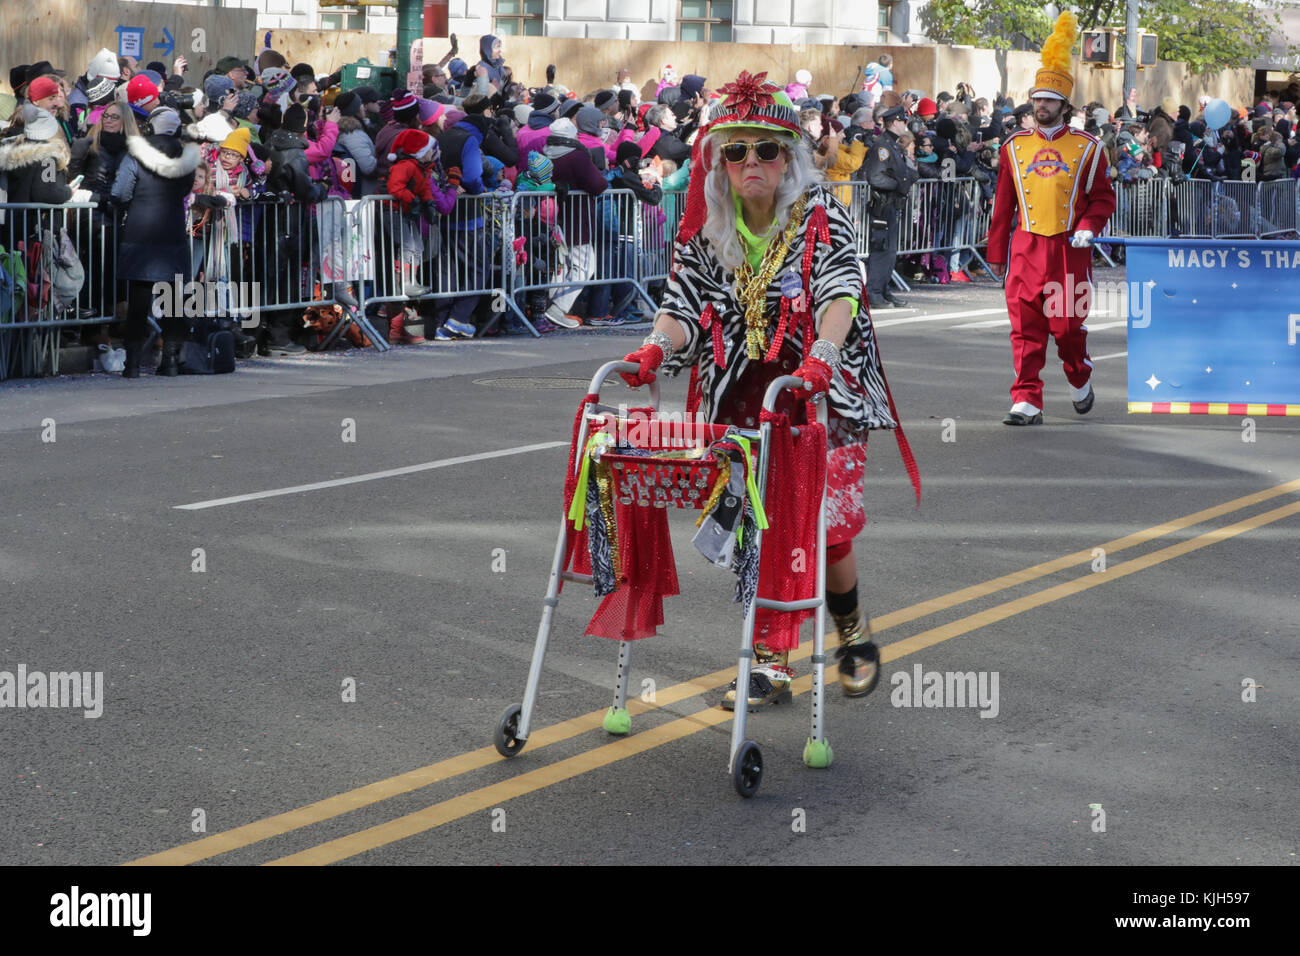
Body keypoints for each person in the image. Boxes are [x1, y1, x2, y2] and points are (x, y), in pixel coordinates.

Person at [618, 72, 918, 708]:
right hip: (744, 395)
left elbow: (840, 291)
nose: (751, 161)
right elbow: (680, 307)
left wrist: (823, 358)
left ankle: (853, 630)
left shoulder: (819, 214)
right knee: (758, 521)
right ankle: (771, 660)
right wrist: (654, 349)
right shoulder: (707, 230)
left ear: (790, 158)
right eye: (736, 150)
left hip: (819, 394)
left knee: (825, 530)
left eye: (766, 149)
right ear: (719, 161)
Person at [985, 12, 1116, 426]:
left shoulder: (1089, 147)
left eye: (1049, 100)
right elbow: (1003, 204)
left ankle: (1080, 376)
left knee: (1067, 329)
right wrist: (996, 252)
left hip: (1067, 251)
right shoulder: (1014, 146)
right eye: (1037, 98)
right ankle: (1027, 400)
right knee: (1025, 329)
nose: (1040, 105)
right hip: (1025, 247)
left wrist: (1088, 228)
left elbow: (1102, 200)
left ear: (1064, 104)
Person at [110, 106, 201, 377]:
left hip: (141, 232)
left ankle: (133, 364)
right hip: (172, 231)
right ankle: (170, 361)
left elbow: (121, 191)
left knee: (139, 302)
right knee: (173, 298)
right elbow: (186, 189)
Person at [862, 105, 916, 308]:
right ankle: (874, 293)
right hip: (883, 205)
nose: (906, 125)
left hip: (892, 204)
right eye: (904, 121)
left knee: (890, 250)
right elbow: (875, 177)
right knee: (881, 249)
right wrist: (898, 185)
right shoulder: (883, 147)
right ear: (895, 122)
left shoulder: (892, 145)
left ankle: (883, 289)